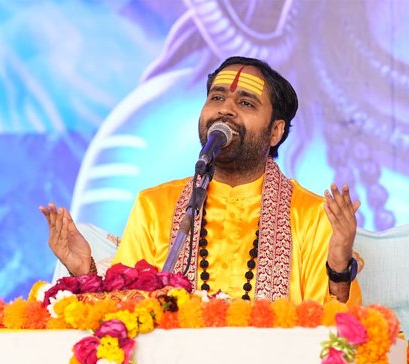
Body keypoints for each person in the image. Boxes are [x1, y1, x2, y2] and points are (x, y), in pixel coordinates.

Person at [41, 56, 361, 305]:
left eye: (246, 103)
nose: (226, 110)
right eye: (217, 98)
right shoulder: (155, 206)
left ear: (275, 131)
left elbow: (333, 336)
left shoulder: (312, 215)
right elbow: (124, 312)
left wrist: (337, 270)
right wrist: (84, 274)